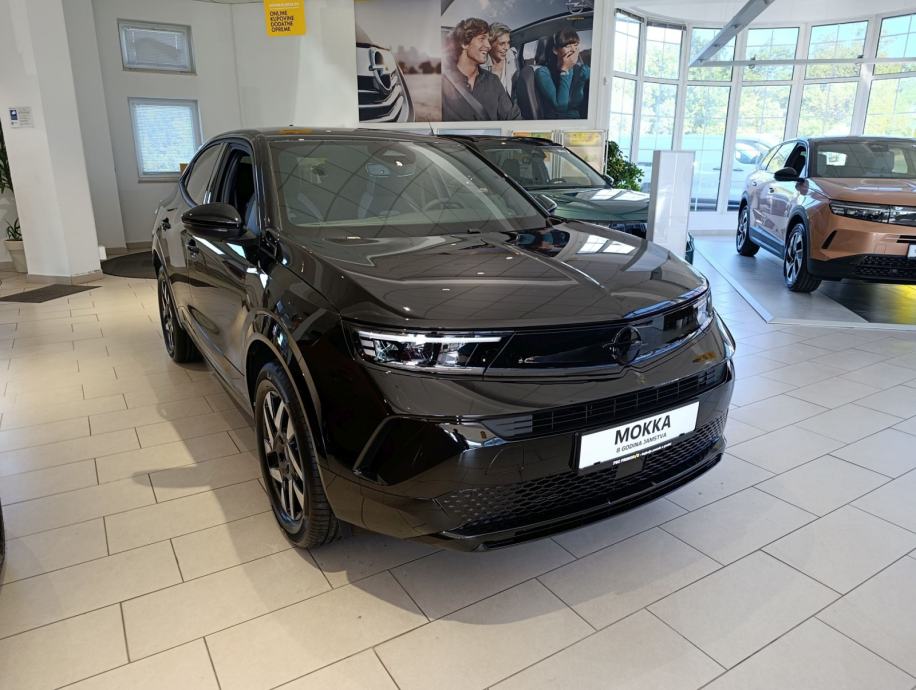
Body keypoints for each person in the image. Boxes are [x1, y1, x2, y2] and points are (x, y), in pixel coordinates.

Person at [442, 18, 520, 121]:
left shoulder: (493, 81)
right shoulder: (441, 83)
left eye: (488, 40)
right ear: (464, 43)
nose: (488, 46)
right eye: (482, 39)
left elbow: (514, 118)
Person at [534, 29, 590, 119]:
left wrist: (582, 80)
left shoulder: (580, 70)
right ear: (555, 50)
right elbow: (561, 107)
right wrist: (565, 71)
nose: (573, 50)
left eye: (576, 45)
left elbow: (577, 104)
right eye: (568, 46)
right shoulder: (543, 72)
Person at [483, 22, 517, 99]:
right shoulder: (481, 65)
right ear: (490, 44)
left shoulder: (511, 56)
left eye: (508, 43)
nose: (507, 47)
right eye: (502, 44)